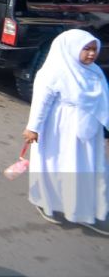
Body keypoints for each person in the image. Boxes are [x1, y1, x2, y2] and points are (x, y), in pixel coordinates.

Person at [23, 29, 109, 232]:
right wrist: (33, 128)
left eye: (94, 49)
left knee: (87, 168)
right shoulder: (54, 71)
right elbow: (41, 103)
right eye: (86, 49)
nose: (91, 54)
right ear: (71, 48)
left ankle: (83, 210)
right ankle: (46, 201)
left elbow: (103, 100)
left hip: (89, 132)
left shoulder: (94, 71)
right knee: (59, 166)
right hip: (60, 130)